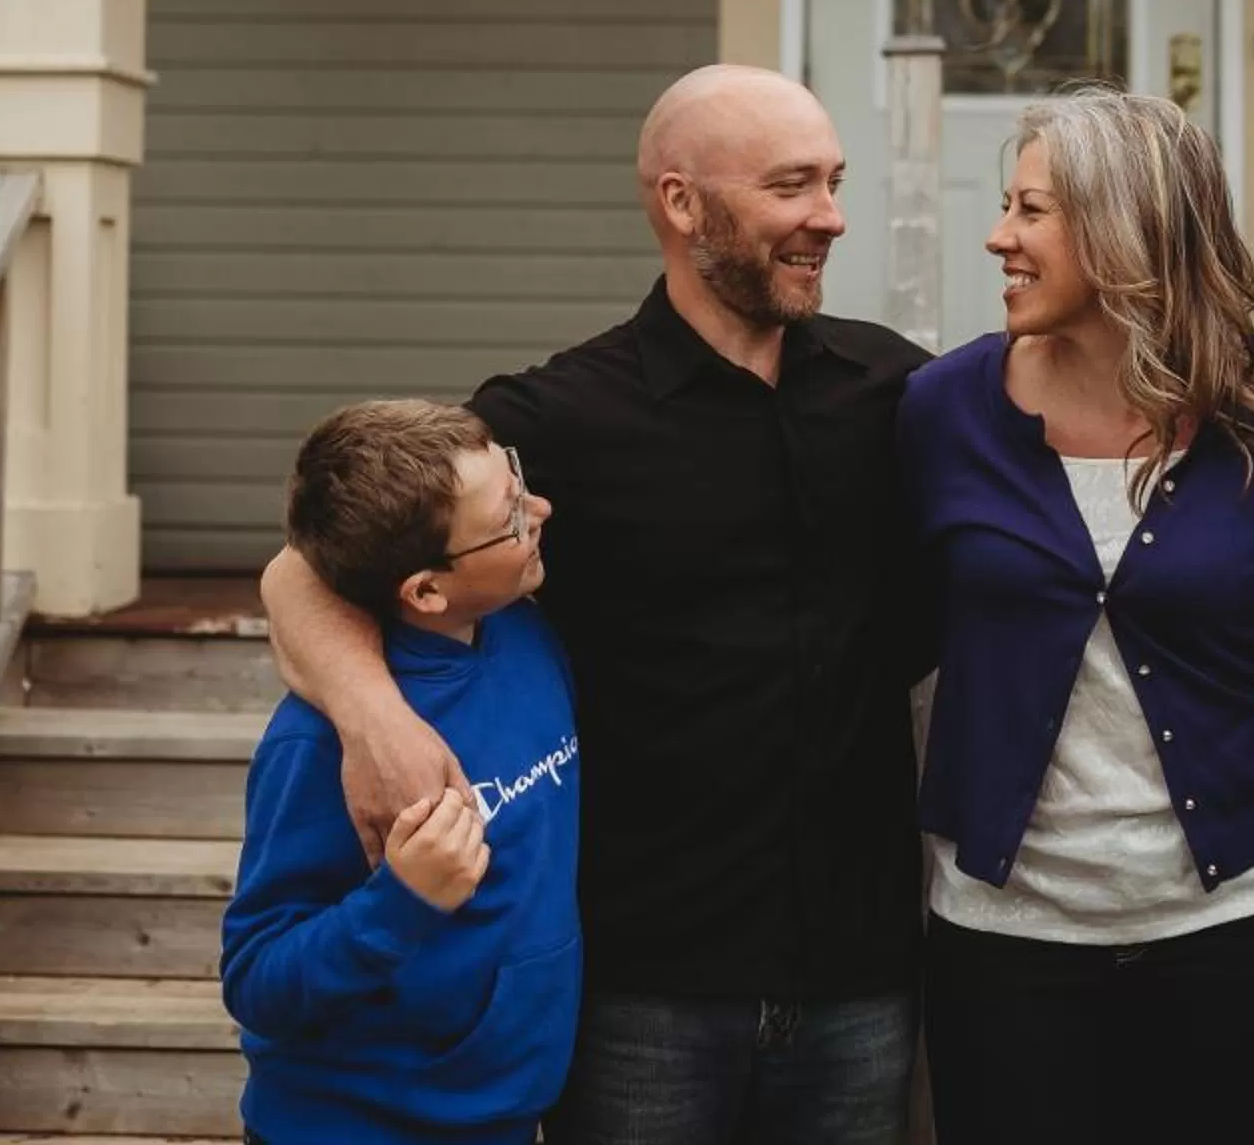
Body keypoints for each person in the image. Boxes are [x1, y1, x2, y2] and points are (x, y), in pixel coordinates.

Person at [258, 65, 932, 1145]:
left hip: (860, 980)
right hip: (642, 995)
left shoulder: (899, 391)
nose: (830, 216)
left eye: (835, 182)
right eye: (793, 185)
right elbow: (307, 568)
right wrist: (375, 720)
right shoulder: (554, 419)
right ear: (681, 202)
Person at [903, 87, 1254, 1145]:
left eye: (1032, 210)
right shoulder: (945, 410)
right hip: (1007, 931)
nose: (998, 235)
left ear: (1125, 228)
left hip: (1233, 924)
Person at [220, 399, 581, 1145]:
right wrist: (402, 903)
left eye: (517, 478)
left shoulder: (526, 635)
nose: (540, 509)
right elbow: (256, 981)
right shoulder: (316, 746)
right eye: (511, 517)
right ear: (424, 590)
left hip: (503, 1119)